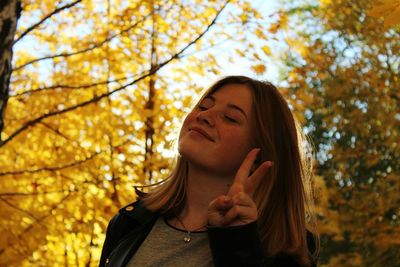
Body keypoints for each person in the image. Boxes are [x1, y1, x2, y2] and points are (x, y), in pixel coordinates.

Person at [99, 76, 319, 267]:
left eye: (230, 118)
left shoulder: (287, 251)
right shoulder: (129, 223)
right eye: (204, 106)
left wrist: (237, 243)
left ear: (260, 155)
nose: (204, 116)